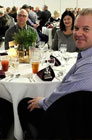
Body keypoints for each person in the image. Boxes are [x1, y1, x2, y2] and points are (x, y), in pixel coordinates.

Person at [18, 8, 92, 139]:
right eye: (76, 28)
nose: (78, 33)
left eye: (86, 29)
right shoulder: (85, 55)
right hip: (75, 117)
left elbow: (67, 91)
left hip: (68, 123)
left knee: (24, 104)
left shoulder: (89, 64)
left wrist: (43, 102)